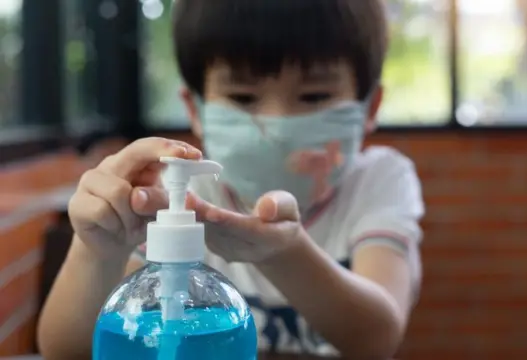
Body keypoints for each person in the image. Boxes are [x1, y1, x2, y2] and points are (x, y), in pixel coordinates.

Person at [37, 0, 425, 358]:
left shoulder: (380, 180)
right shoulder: (177, 194)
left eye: (314, 96)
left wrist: (283, 253)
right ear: (195, 108)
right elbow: (66, 351)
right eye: (243, 97)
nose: (278, 124)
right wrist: (99, 251)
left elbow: (377, 339)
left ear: (369, 106)